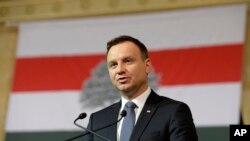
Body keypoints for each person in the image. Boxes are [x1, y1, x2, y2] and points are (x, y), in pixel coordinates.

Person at [85, 35, 198, 141]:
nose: (120, 70)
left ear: (147, 66)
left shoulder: (173, 112)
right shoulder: (97, 121)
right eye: (113, 64)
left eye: (128, 61)